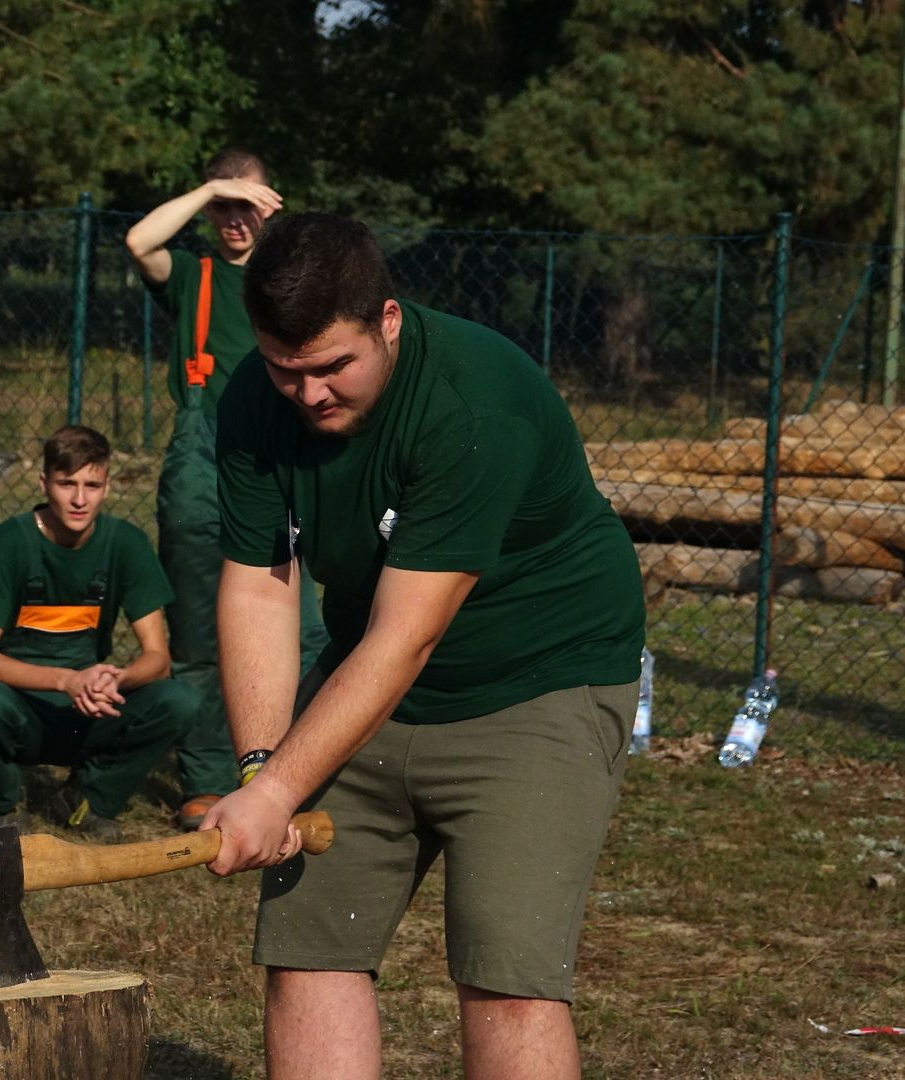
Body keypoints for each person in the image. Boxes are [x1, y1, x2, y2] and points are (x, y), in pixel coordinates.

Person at [201, 212, 646, 1079]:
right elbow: (259, 581)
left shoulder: (473, 402)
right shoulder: (256, 401)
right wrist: (264, 773)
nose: (310, 394)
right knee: (309, 949)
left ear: (389, 320)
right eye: (286, 370)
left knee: (508, 976)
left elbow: (410, 635)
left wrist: (284, 786)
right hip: (369, 675)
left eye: (334, 366)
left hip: (537, 680)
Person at [123, 148, 326, 831]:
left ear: (271, 208)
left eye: (250, 205)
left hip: (282, 460)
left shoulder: (295, 283)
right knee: (201, 626)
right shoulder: (194, 276)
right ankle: (207, 776)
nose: (235, 219)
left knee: (305, 627)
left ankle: (300, 768)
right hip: (201, 465)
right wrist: (213, 183)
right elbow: (139, 240)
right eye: (223, 206)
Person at [0, 426, 200, 843]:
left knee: (180, 700)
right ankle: (5, 802)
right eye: (67, 484)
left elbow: (157, 657)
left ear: (107, 487)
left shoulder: (126, 543)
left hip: (90, 711)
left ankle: (89, 799)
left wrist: (117, 679)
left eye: (92, 485)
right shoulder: (12, 540)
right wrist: (66, 681)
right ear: (44, 482)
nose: (80, 499)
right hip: (25, 705)